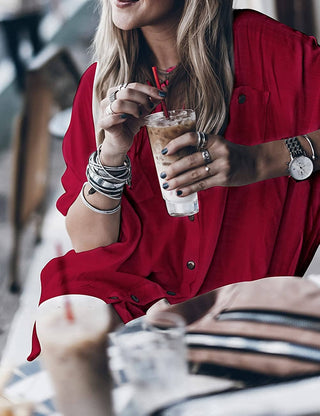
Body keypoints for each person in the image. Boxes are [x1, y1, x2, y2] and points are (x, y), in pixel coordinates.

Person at [30, 0, 320, 360]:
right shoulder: (100, 85)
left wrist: (260, 160)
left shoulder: (266, 49)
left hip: (234, 296)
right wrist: (112, 153)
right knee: (64, 324)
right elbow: (90, 245)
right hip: (132, 297)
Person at [0, 0, 46, 90]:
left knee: (38, 51)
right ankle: (28, 90)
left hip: (28, 9)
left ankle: (44, 83)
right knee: (17, 59)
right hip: (9, 12)